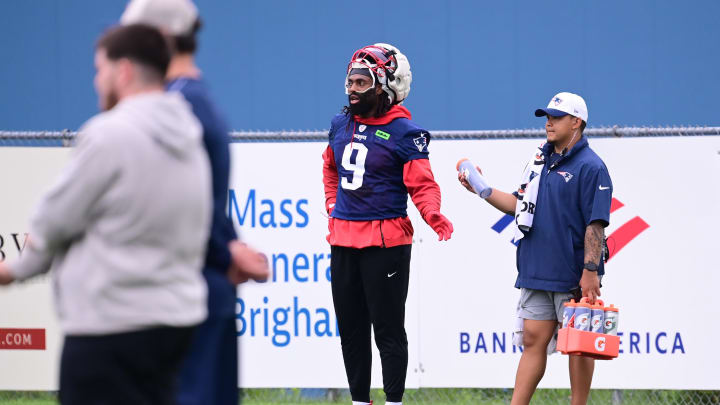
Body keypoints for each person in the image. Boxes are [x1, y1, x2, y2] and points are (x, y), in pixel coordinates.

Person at [0, 24, 212, 405]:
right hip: (175, 323)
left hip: (110, 328)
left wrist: (16, 269)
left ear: (124, 71)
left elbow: (55, 220)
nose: (97, 81)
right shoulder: (191, 136)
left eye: (100, 70)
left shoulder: (109, 135)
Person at [120, 1, 270, 404]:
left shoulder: (178, 108)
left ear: (162, 39)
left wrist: (224, 253)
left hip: (186, 294)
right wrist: (229, 249)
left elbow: (180, 206)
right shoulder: (188, 101)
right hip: (195, 288)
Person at [458, 92, 612, 405]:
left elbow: (595, 225)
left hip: (572, 273)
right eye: (547, 117)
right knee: (532, 341)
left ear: (576, 122)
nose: (549, 123)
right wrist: (482, 190)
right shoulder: (539, 160)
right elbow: (520, 205)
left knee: (579, 345)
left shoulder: (592, 167)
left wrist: (590, 271)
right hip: (536, 269)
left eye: (556, 117)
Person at [323, 43, 454, 405]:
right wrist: (332, 202)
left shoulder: (404, 132)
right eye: (350, 80)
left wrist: (432, 213)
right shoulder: (339, 124)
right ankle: (359, 401)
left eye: (362, 82)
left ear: (384, 85)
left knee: (388, 331)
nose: (352, 88)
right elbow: (330, 168)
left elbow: (422, 184)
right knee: (350, 331)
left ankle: (394, 401)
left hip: (386, 243)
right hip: (344, 239)